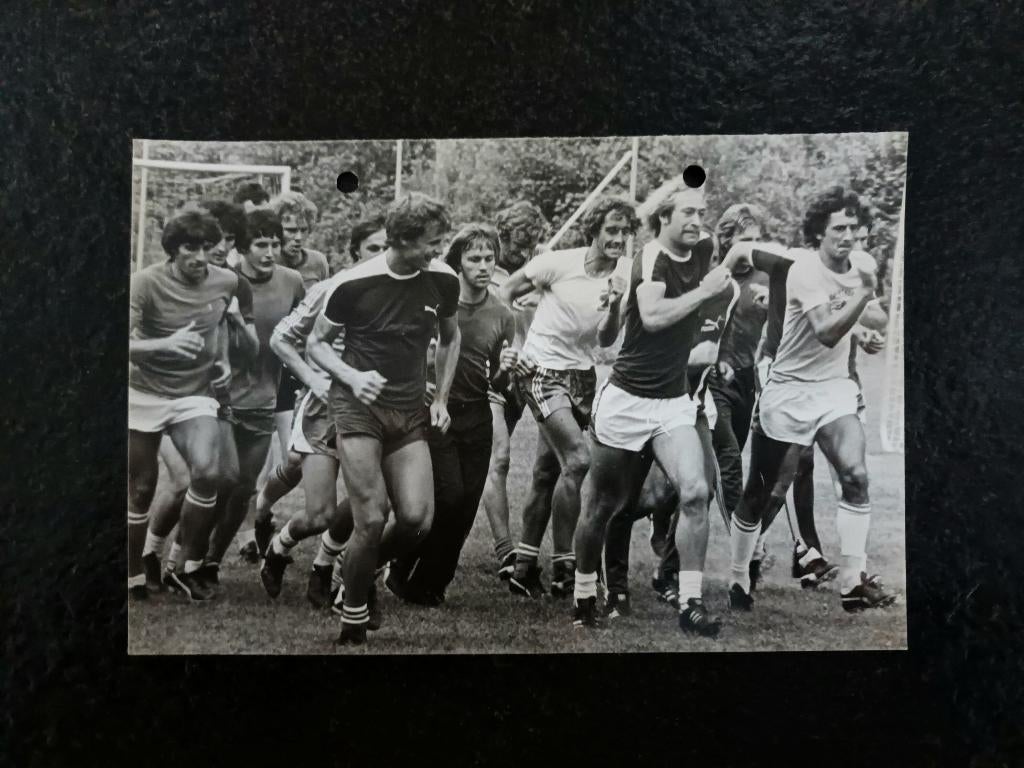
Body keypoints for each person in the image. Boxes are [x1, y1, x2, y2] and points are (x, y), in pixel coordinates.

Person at [724, 185, 898, 614]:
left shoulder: (862, 265)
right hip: (788, 388)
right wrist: (861, 296)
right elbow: (824, 330)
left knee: (855, 474)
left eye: (855, 228)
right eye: (839, 227)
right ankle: (739, 573)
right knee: (761, 491)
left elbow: (874, 313)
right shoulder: (802, 269)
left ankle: (852, 582)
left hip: (834, 388)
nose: (849, 236)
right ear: (819, 233)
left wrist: (867, 327)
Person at [572, 176, 731, 636]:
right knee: (603, 503)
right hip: (626, 400)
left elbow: (736, 258)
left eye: (702, 214)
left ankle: (690, 604)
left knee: (696, 491)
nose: (698, 222)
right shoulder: (650, 257)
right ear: (663, 218)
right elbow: (656, 318)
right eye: (688, 213)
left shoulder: (702, 250)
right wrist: (706, 292)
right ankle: (584, 594)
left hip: (671, 402)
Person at [308, 192, 461, 646]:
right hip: (357, 408)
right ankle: (352, 613)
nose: (437, 250)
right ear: (401, 239)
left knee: (415, 520)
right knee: (371, 519)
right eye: (431, 242)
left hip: (410, 407)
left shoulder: (443, 280)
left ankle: (360, 570)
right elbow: (316, 345)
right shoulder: (353, 283)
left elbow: (451, 338)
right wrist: (353, 376)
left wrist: (442, 398)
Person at [499, 195, 637, 600]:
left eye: (625, 232)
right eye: (611, 230)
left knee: (547, 471)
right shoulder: (558, 263)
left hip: (582, 375)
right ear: (593, 230)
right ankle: (565, 565)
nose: (618, 239)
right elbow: (505, 292)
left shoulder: (626, 274)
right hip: (539, 371)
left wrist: (614, 306)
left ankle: (524, 567)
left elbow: (607, 339)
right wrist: (515, 346)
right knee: (577, 459)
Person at [387, 224, 518, 604]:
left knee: (464, 510)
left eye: (489, 258)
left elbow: (496, 380)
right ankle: (399, 565)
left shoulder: (502, 314)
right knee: (448, 496)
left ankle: (430, 585)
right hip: (434, 412)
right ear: (458, 262)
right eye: (474, 258)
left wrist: (506, 369)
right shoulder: (437, 304)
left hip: (476, 413)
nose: (482, 266)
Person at [249, 214, 387, 566]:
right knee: (308, 492)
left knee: (374, 503)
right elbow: (282, 339)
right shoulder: (332, 288)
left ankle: (325, 567)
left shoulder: (402, 291)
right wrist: (313, 380)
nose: (382, 254)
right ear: (354, 250)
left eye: (388, 247)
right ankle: (264, 510)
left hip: (378, 408)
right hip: (325, 406)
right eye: (373, 247)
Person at [140, 200, 258, 591]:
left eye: (222, 242)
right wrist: (166, 344)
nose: (212, 252)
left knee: (216, 476)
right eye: (202, 244)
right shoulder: (148, 282)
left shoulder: (229, 282)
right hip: (149, 392)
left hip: (204, 394)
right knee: (165, 483)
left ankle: (180, 563)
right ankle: (145, 558)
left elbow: (220, 327)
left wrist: (222, 359)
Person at [202, 209, 305, 573]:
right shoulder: (224, 281)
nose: (270, 251)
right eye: (261, 244)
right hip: (221, 399)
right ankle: (187, 555)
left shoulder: (292, 281)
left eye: (275, 244)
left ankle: (211, 561)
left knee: (245, 487)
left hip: (266, 396)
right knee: (219, 482)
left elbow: (302, 333)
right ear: (243, 247)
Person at [480, 201, 548, 579]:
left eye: (532, 242)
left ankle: (527, 552)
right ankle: (506, 550)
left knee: (544, 464)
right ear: (502, 236)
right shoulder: (486, 270)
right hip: (493, 375)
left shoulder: (541, 269)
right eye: (519, 243)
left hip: (529, 375)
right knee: (499, 457)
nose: (526, 250)